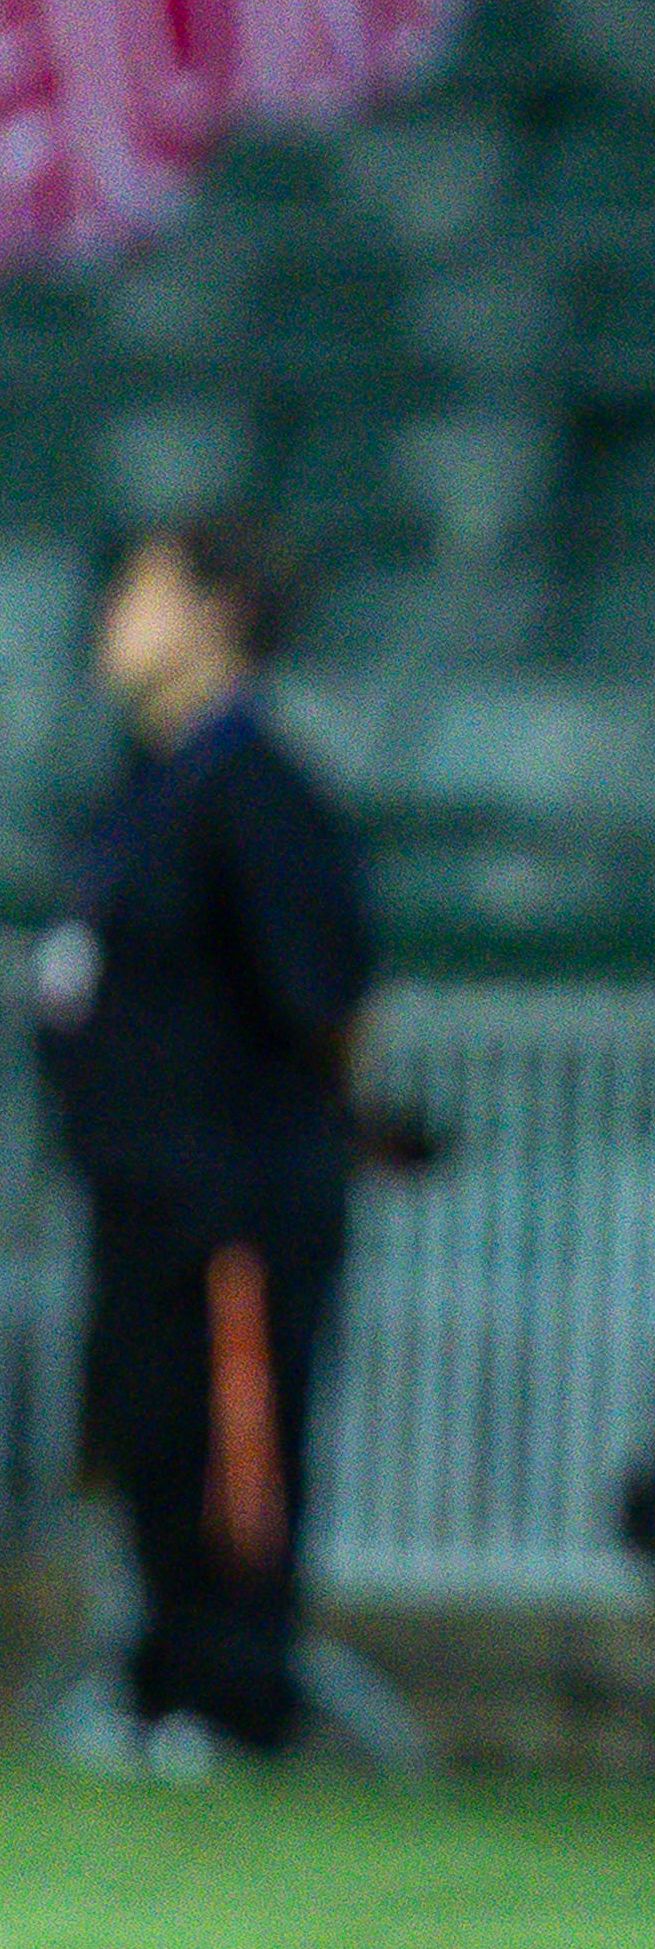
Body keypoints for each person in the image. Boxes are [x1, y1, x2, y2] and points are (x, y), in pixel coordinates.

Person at [32, 513, 373, 1769]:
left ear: (215, 615)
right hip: (138, 1196)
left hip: (234, 1198)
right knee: (154, 1445)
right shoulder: (143, 785)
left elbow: (331, 998)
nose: (115, 615)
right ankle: (161, 1691)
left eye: (142, 589)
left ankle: (233, 1704)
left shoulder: (263, 794)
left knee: (234, 1457)